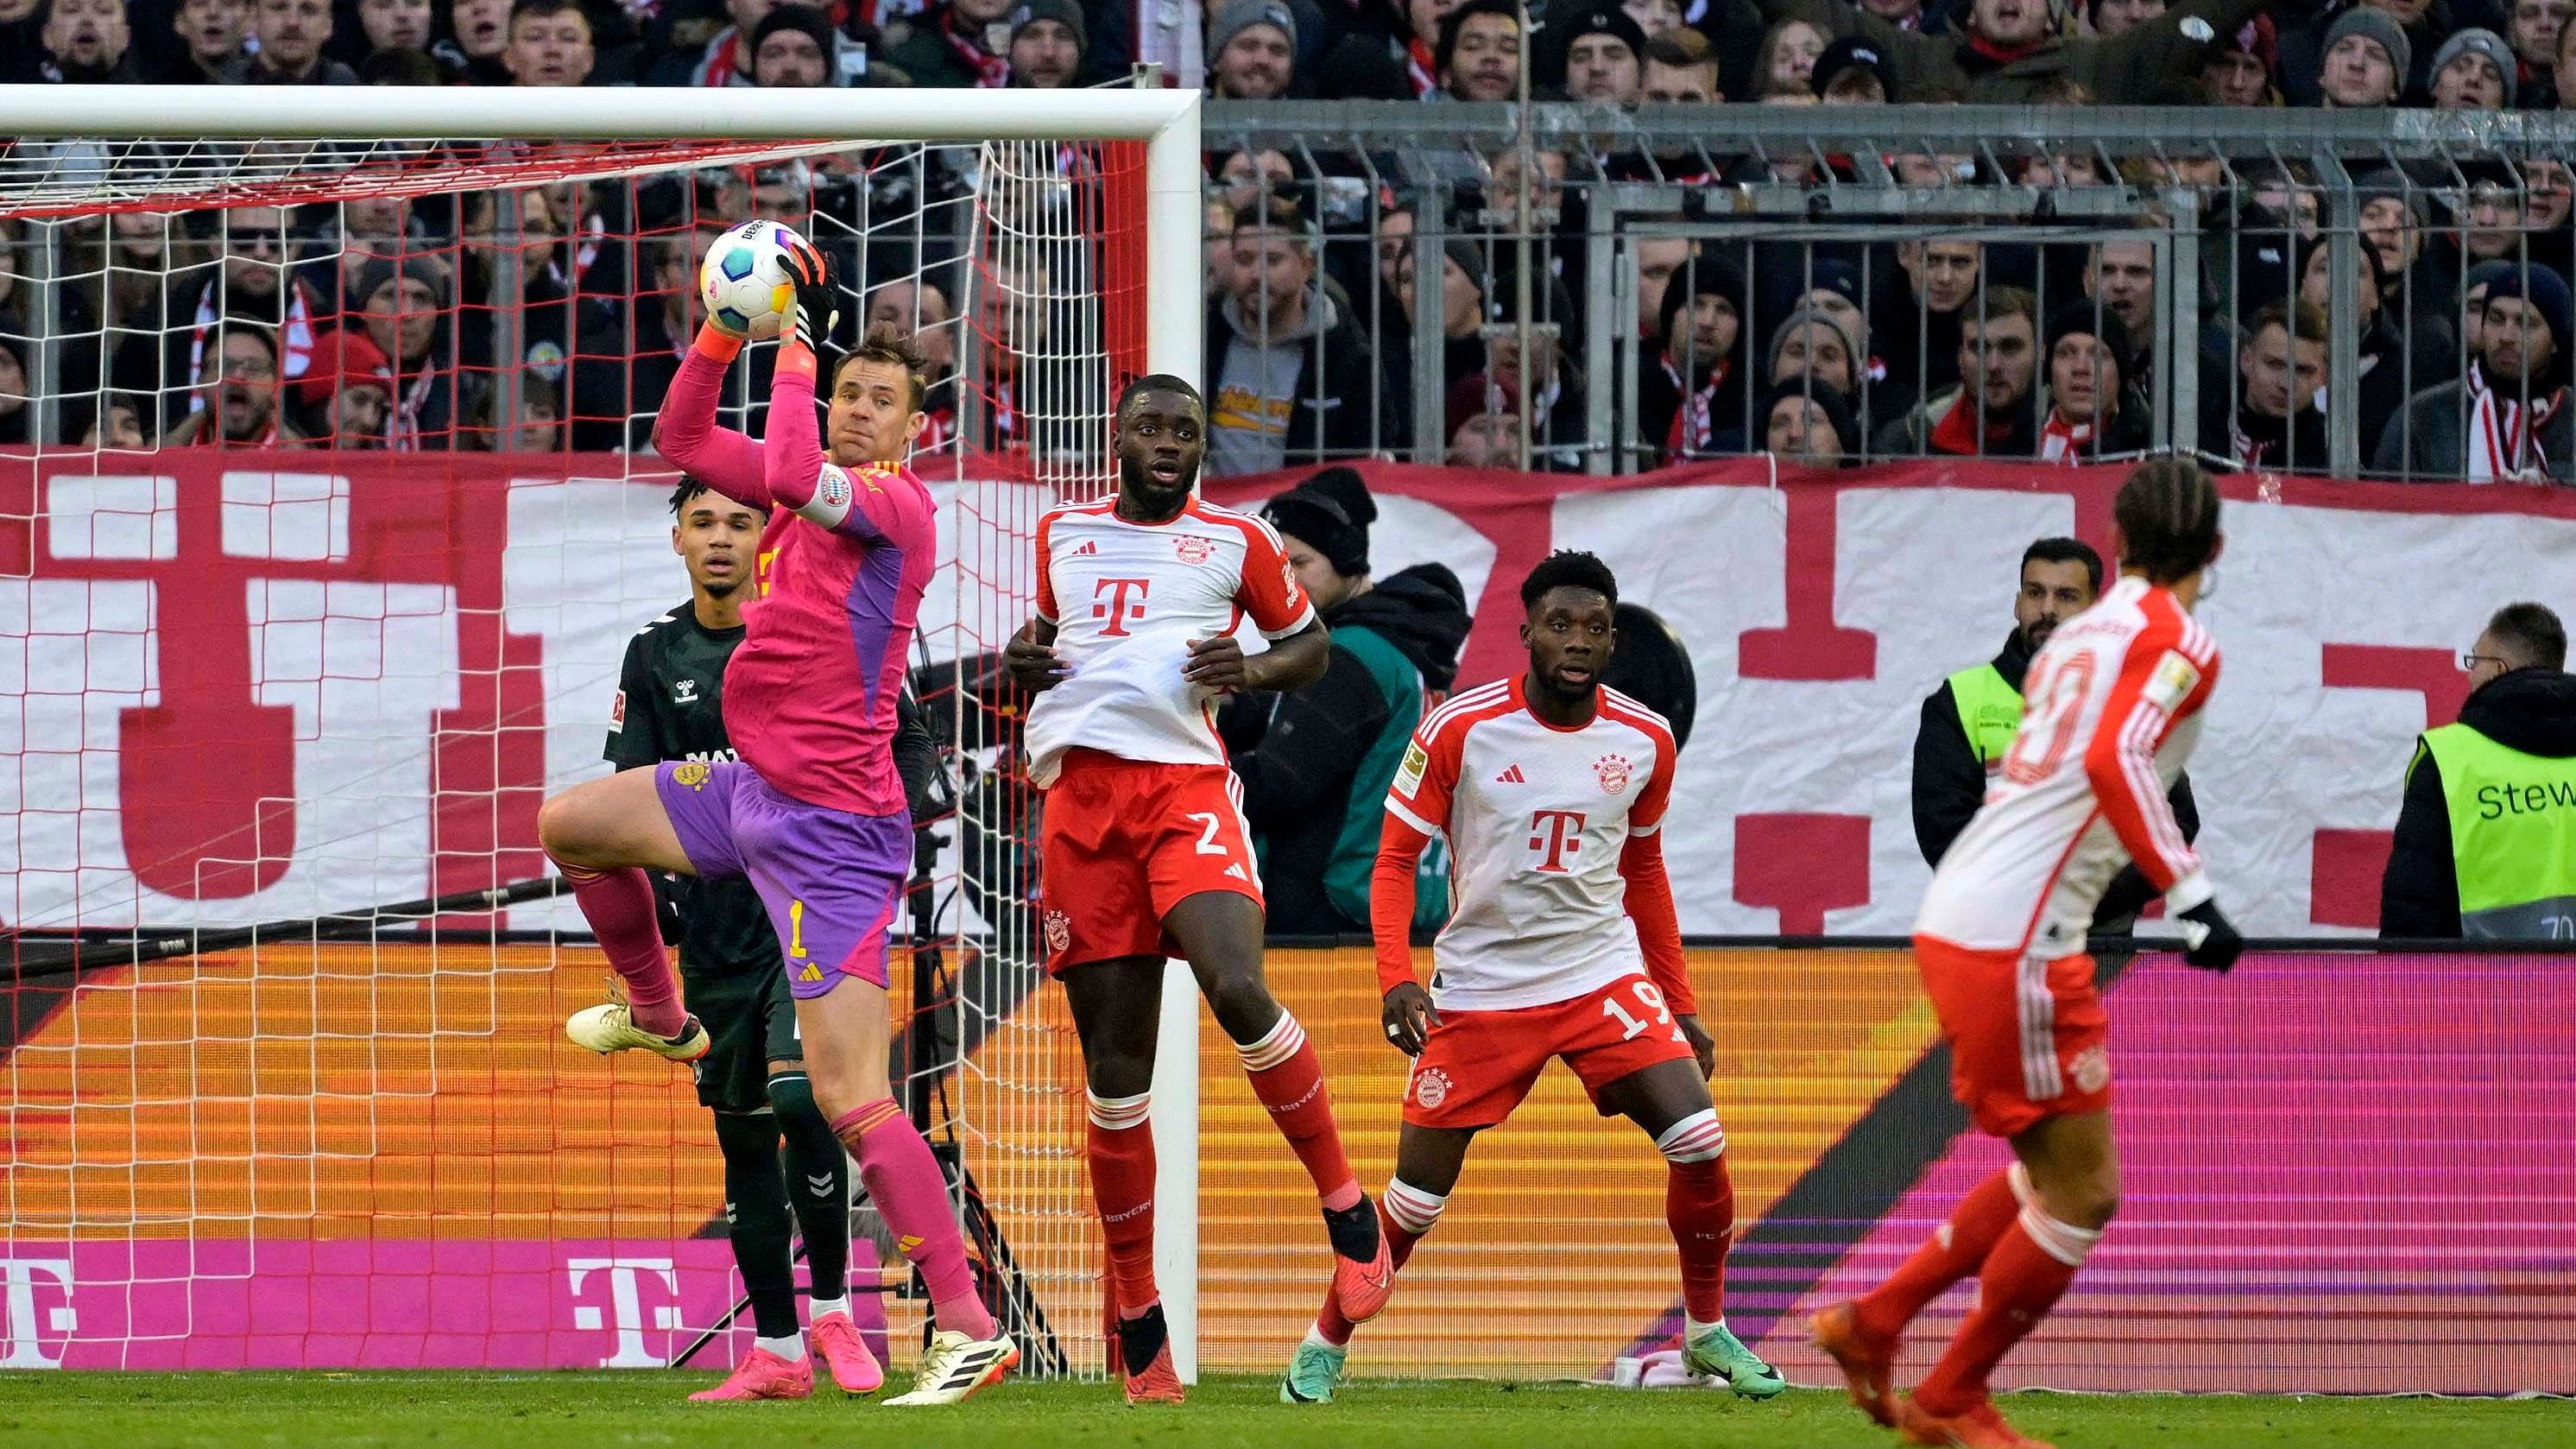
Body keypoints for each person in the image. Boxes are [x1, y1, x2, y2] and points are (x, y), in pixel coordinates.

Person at [535, 245, 1017, 1406]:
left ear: (912, 424)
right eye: (848, 388)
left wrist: (793, 338)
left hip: (837, 835)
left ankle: (966, 1323)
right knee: (572, 824)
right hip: (750, 791)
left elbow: (793, 469)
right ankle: (657, 1013)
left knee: (851, 1097)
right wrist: (720, 328)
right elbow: (684, 442)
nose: (856, 406)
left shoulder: (895, 503)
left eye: (879, 396)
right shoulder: (804, 488)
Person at [1279, 550, 1784, 1406]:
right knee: (1411, 1203)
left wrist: (1680, 1003)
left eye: (1592, 627)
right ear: (1527, 635)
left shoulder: (1643, 739)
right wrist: (1397, 975)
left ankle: (1705, 1332)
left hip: (1597, 974)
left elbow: (1646, 879)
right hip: (1482, 988)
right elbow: (1395, 859)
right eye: (1559, 624)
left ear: (1612, 639)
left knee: (1698, 1139)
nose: (1576, 641)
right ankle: (1323, 1343)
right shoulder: (1461, 728)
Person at [1816, 459, 2244, 1449]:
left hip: (1972, 919)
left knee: (2051, 1172)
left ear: (2118, 543)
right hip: (2020, 935)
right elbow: (2113, 759)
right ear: (2212, 551)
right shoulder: (2178, 641)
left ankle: (1870, 1322)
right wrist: (2192, 894)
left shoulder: (2069, 643)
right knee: (2084, 1191)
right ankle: (1950, 1394)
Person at [1001, 376, 1394, 1404]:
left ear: (1201, 446)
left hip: (1183, 792)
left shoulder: (1238, 543)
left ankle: (1348, 1208)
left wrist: (1250, 671)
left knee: (1234, 985)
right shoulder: (1061, 533)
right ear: (1117, 437)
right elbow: (1045, 641)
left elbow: (1310, 645)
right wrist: (1024, 657)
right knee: (1117, 1071)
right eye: (1149, 427)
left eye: (1184, 429)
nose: (1167, 443)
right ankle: (1139, 1315)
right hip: (1079, 804)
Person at [603, 478, 938, 1403]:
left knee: (807, 1104)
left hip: (810, 916)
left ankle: (834, 1302)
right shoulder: (652, 652)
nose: (720, 538)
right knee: (745, 1142)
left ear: (768, 538)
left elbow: (907, 746)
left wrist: (887, 829)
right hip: (715, 935)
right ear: (676, 538)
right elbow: (634, 793)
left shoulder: (820, 632)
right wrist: (660, 906)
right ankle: (780, 1350)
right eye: (701, 521)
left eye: (740, 522)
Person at [1222, 468, 1474, 936]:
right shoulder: (1399, 647)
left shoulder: (1352, 655)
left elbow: (1283, 782)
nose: (1284, 582)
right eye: (1274, 569)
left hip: (1331, 912)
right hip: (1396, 901)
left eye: (1298, 564)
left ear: (1348, 558)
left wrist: (1174, 780)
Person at [1913, 536, 2200, 932]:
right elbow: (1943, 830)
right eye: (2035, 593)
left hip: (2098, 939)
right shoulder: (1960, 700)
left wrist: (2086, 899)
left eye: (2066, 596)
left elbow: (2175, 821)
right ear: (2018, 604)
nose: (2047, 610)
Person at [2382, 603, 2576, 939]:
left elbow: (2415, 913)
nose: (2469, 674)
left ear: (2499, 670)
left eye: (2476, 661)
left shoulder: (2449, 760)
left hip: (2484, 988)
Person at [2374, 267, 2573, 483]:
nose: (2506, 336)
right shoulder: (2422, 417)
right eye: (2496, 319)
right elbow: (2384, 509)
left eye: (2525, 323)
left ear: (2556, 341)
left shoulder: (2570, 416)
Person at [1878, 288, 2039, 459]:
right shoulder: (1908, 441)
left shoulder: (2065, 436)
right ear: (1960, 357)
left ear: (2040, 352)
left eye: (2010, 347)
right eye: (1978, 348)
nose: (1993, 365)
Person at [2206, 299, 2330, 471]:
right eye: (2275, 364)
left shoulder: (2332, 457)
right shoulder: (2199, 431)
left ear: (2323, 378)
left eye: (2303, 371)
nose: (2286, 384)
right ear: (2246, 360)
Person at [2036, 303, 2149, 461]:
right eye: (2066, 353)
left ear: (2121, 371)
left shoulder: (2148, 456)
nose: (2080, 368)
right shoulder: (2018, 451)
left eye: (2099, 355)